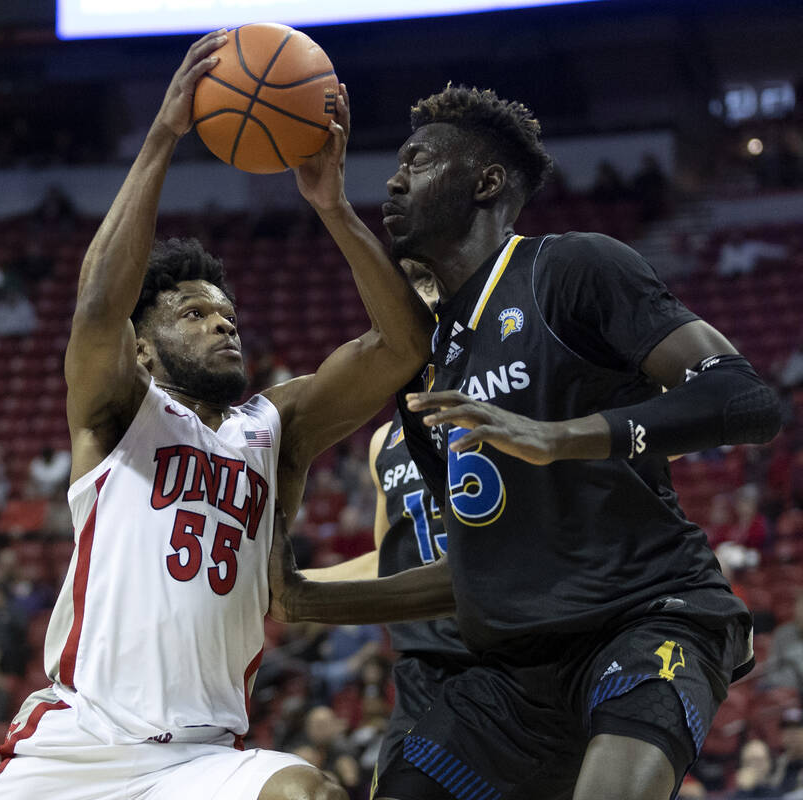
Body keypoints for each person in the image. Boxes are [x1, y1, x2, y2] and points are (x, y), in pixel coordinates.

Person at [270, 84, 782, 800]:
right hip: (515, 672)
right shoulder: (429, 367)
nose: (393, 179)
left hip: (646, 617)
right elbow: (477, 571)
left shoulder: (571, 267)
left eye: (417, 161)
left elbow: (743, 396)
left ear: (485, 182)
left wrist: (557, 437)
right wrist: (304, 599)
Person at [0, 29, 431, 800]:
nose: (222, 324)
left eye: (228, 314)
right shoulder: (116, 413)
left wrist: (333, 206)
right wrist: (163, 137)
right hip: (80, 740)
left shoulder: (276, 428)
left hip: (204, 758)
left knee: (304, 792)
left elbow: (402, 345)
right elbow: (99, 302)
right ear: (142, 348)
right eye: (192, 313)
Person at [301, 263, 474, 795]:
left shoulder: (501, 400)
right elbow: (387, 558)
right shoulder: (383, 444)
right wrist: (280, 585)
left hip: (509, 648)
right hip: (425, 666)